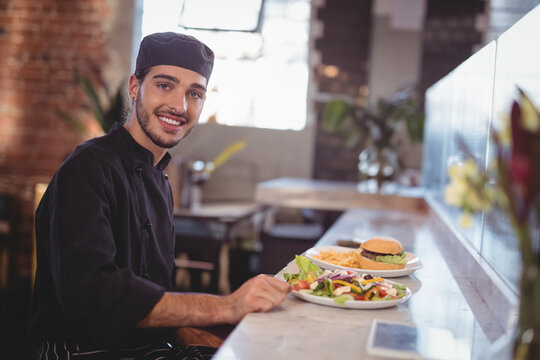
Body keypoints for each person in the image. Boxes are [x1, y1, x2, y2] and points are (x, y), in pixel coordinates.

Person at [29, 32, 291, 359]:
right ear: (135, 87)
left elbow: (154, 296)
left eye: (194, 93)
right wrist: (225, 307)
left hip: (142, 346)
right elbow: (94, 298)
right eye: (165, 85)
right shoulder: (86, 168)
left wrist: (200, 336)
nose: (179, 106)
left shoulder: (161, 180)